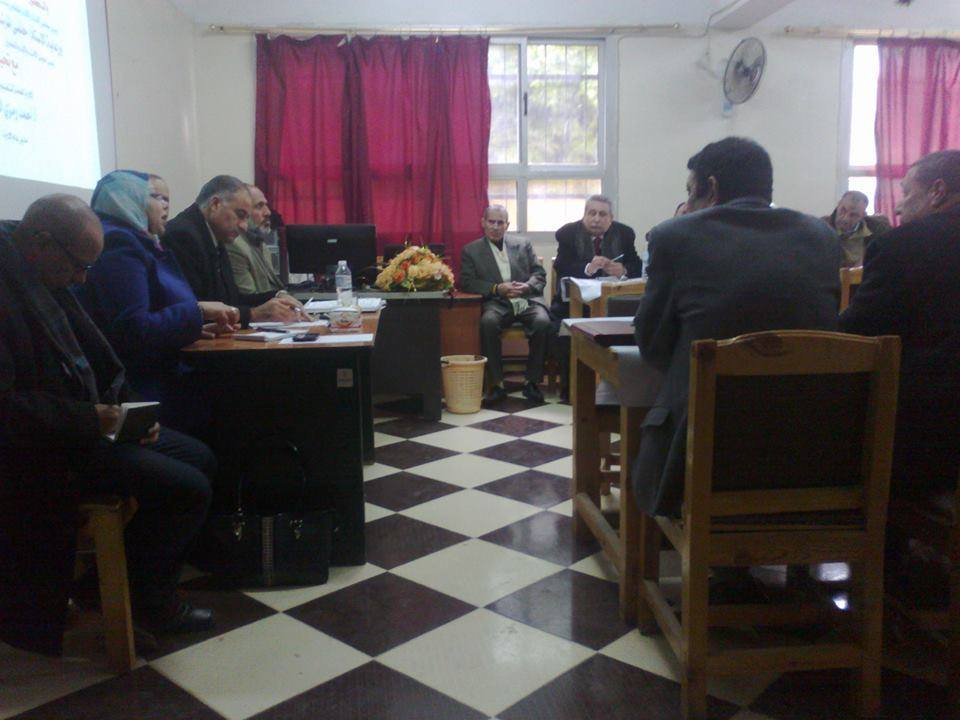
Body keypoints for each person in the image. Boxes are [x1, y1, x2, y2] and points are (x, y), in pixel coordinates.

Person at [0, 195, 216, 656]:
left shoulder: (40, 277)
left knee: (200, 457)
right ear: (40, 242)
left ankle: (105, 586)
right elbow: (8, 408)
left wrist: (126, 412)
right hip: (36, 453)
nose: (82, 280)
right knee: (187, 489)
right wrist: (94, 418)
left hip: (83, 426)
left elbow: (94, 362)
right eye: (78, 266)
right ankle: (150, 602)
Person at [632, 137, 840, 517]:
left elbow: (653, 345)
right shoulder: (822, 237)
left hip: (704, 458)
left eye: (691, 192)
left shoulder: (675, 236)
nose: (689, 203)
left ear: (711, 187)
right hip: (812, 455)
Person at [76, 170, 239, 434]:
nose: (165, 206)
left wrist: (192, 327)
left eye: (167, 199)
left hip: (160, 370)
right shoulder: (120, 244)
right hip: (145, 386)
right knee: (233, 400)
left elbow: (156, 312)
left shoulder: (143, 242)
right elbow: (134, 329)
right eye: (155, 197)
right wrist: (197, 311)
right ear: (124, 199)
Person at [840, 150, 960, 502]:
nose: (898, 207)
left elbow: (857, 336)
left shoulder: (902, 246)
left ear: (937, 191)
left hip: (926, 436)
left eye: (906, 192)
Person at [162, 175, 302, 327]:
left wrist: (276, 296)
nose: (244, 226)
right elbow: (197, 311)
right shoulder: (183, 236)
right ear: (215, 204)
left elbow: (231, 300)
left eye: (247, 218)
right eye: (240, 215)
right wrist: (254, 314)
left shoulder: (215, 233)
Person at [550, 196, 642, 399]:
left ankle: (614, 388)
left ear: (611, 218)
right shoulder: (567, 233)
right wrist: (588, 268)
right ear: (584, 215)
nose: (596, 219)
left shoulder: (625, 233)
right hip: (573, 304)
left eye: (602, 214)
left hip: (613, 305)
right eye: (591, 213)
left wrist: (623, 269)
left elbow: (636, 265)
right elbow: (561, 266)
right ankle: (572, 389)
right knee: (563, 329)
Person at [459, 206, 550, 403]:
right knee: (488, 323)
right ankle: (496, 384)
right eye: (491, 222)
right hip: (497, 302)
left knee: (542, 322)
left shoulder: (523, 244)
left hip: (526, 300)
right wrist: (496, 288)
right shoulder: (471, 250)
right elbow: (466, 281)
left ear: (507, 225)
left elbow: (539, 274)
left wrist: (527, 286)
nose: (495, 227)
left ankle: (532, 382)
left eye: (500, 222)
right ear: (483, 223)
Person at [226, 184, 284, 295]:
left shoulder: (261, 245)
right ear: (243, 212)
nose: (268, 212)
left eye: (266, 205)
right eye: (259, 206)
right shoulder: (235, 247)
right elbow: (250, 298)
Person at [822, 190, 892, 267]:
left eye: (854, 215)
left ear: (863, 215)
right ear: (838, 204)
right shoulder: (822, 227)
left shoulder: (878, 228)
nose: (845, 219)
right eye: (843, 210)